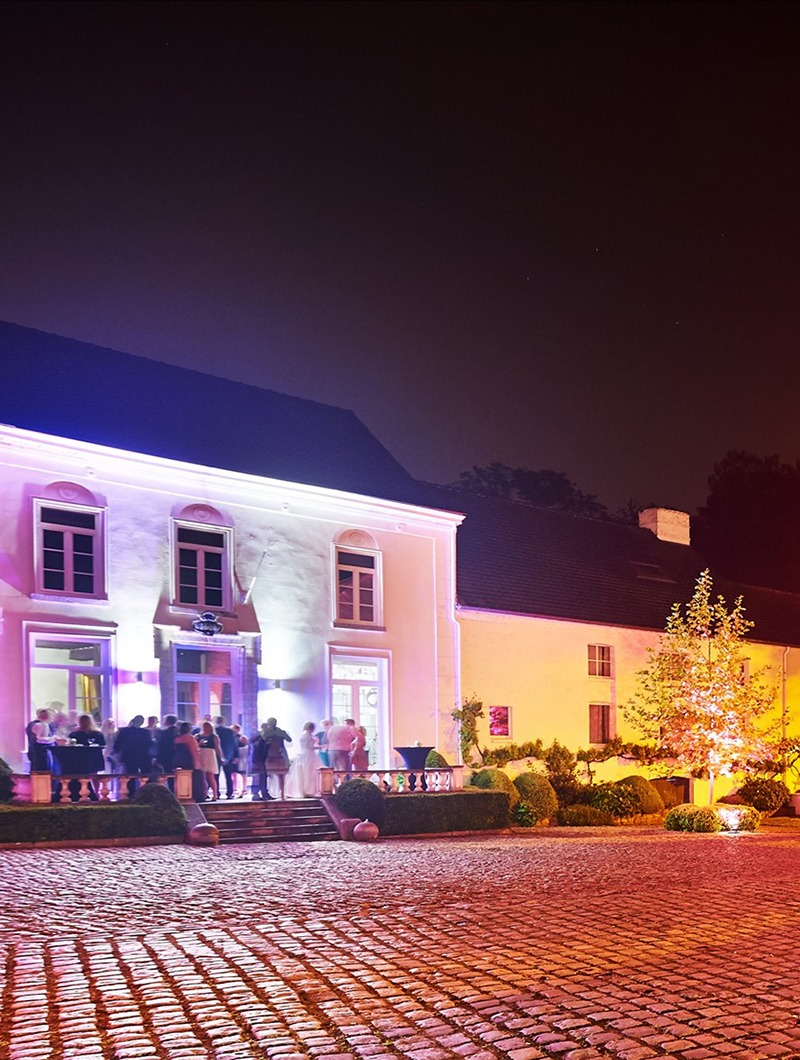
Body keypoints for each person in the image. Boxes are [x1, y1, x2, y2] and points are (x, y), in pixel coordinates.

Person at [68, 714, 105, 801]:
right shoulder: (97, 733)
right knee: (94, 775)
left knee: (85, 775)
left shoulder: (75, 734)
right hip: (94, 756)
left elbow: (71, 745)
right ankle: (95, 792)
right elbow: (103, 744)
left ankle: (86, 792)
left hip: (81, 757)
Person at [113, 715, 153, 794]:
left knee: (130, 775)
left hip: (129, 756)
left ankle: (131, 793)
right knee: (145, 774)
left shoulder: (125, 731)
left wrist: (115, 751)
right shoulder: (145, 732)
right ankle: (147, 792)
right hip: (143, 756)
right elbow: (149, 744)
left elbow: (118, 743)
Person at [255, 718, 292, 800]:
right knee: (280, 775)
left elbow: (261, 740)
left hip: (270, 755)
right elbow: (289, 739)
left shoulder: (268, 732)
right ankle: (281, 794)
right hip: (278, 754)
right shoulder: (279, 731)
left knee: (266, 775)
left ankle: (266, 793)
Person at [286, 722, 324, 798]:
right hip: (309, 755)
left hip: (302, 754)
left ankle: (304, 790)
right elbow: (310, 747)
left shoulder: (303, 735)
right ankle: (309, 790)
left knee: (303, 773)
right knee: (310, 773)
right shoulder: (308, 736)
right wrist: (321, 747)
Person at [173, 721, 206, 801]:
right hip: (189, 759)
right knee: (195, 777)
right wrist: (198, 763)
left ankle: (183, 794)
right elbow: (194, 750)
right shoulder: (190, 738)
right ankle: (196, 796)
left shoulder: (177, 738)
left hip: (178, 759)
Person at [214, 715, 239, 799]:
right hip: (228, 754)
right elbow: (233, 744)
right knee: (228, 775)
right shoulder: (229, 731)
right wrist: (236, 755)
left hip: (216, 754)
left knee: (216, 775)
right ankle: (229, 793)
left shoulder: (214, 730)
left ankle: (216, 793)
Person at [197, 720, 222, 801]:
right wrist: (199, 744)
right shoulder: (197, 736)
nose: (206, 728)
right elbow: (194, 746)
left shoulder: (214, 737)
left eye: (207, 726)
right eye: (204, 726)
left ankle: (215, 794)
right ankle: (204, 793)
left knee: (211, 775)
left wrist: (220, 757)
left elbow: (217, 748)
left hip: (210, 754)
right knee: (202, 776)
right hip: (201, 754)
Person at [231, 723, 249, 797]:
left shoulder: (241, 737)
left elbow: (246, 747)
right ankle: (234, 789)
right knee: (233, 774)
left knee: (243, 774)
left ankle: (243, 789)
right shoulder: (231, 737)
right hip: (234, 756)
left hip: (241, 758)